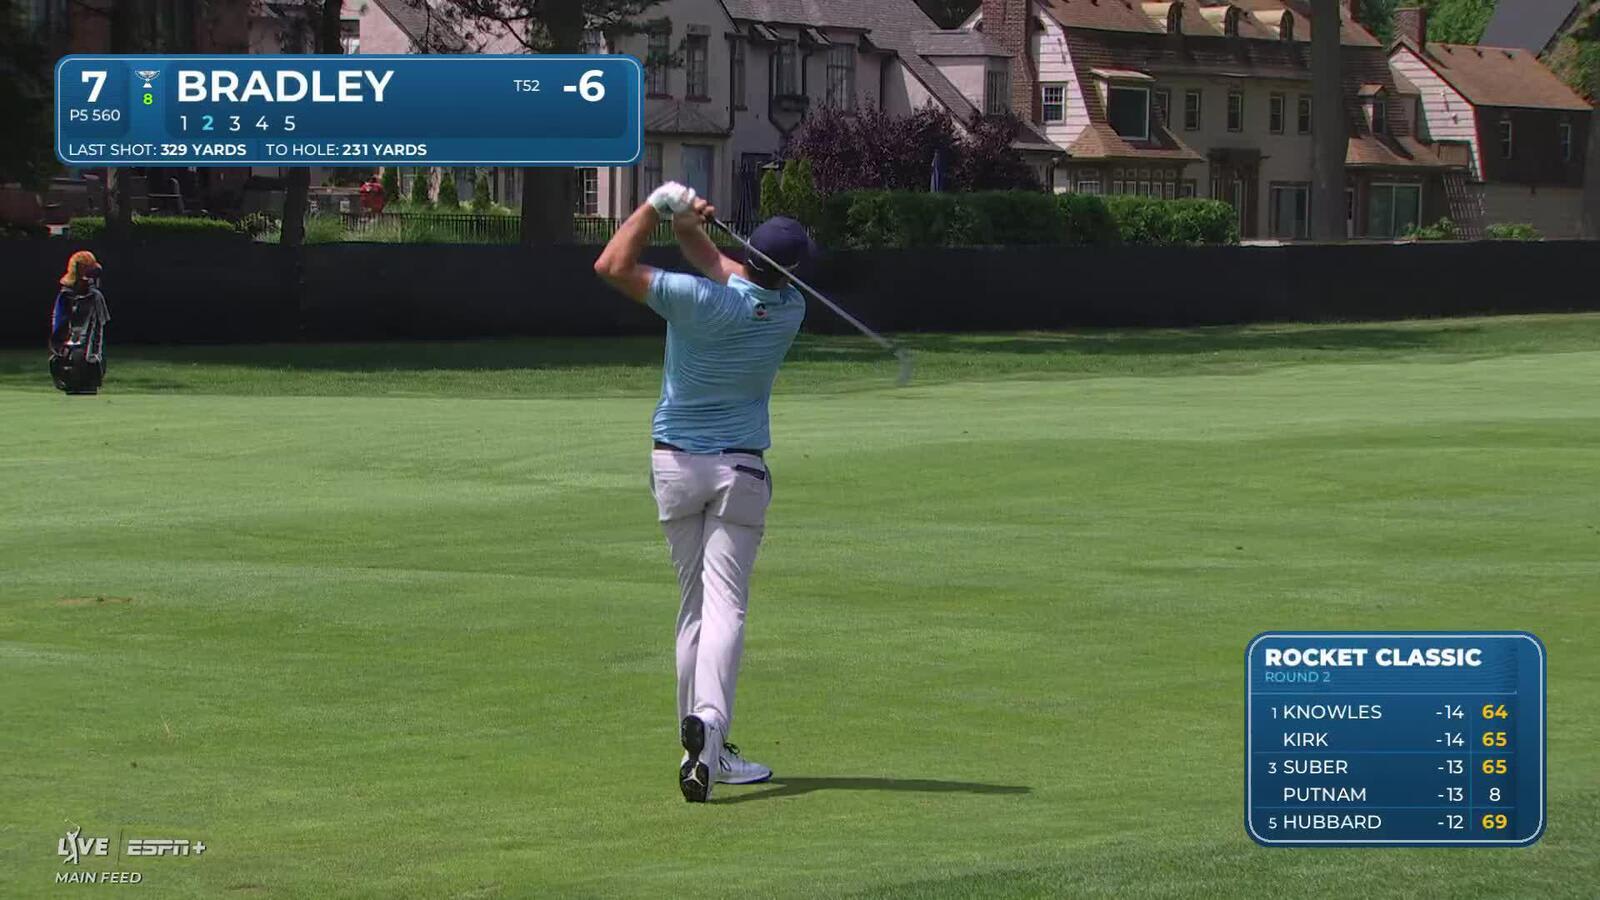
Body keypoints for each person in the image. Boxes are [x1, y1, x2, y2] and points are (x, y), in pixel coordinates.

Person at [594, 183, 809, 802]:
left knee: (692, 609)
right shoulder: (790, 309)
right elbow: (721, 264)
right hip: (739, 472)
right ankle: (711, 731)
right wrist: (690, 223)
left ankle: (700, 743)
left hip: (676, 468)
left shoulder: (694, 300)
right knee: (725, 609)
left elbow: (611, 265)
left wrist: (660, 210)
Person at [49, 250, 111, 395]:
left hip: (87, 358)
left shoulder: (95, 297)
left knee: (87, 371)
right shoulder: (65, 296)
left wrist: (94, 357)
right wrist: (58, 351)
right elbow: (58, 324)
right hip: (68, 355)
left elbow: (98, 330)